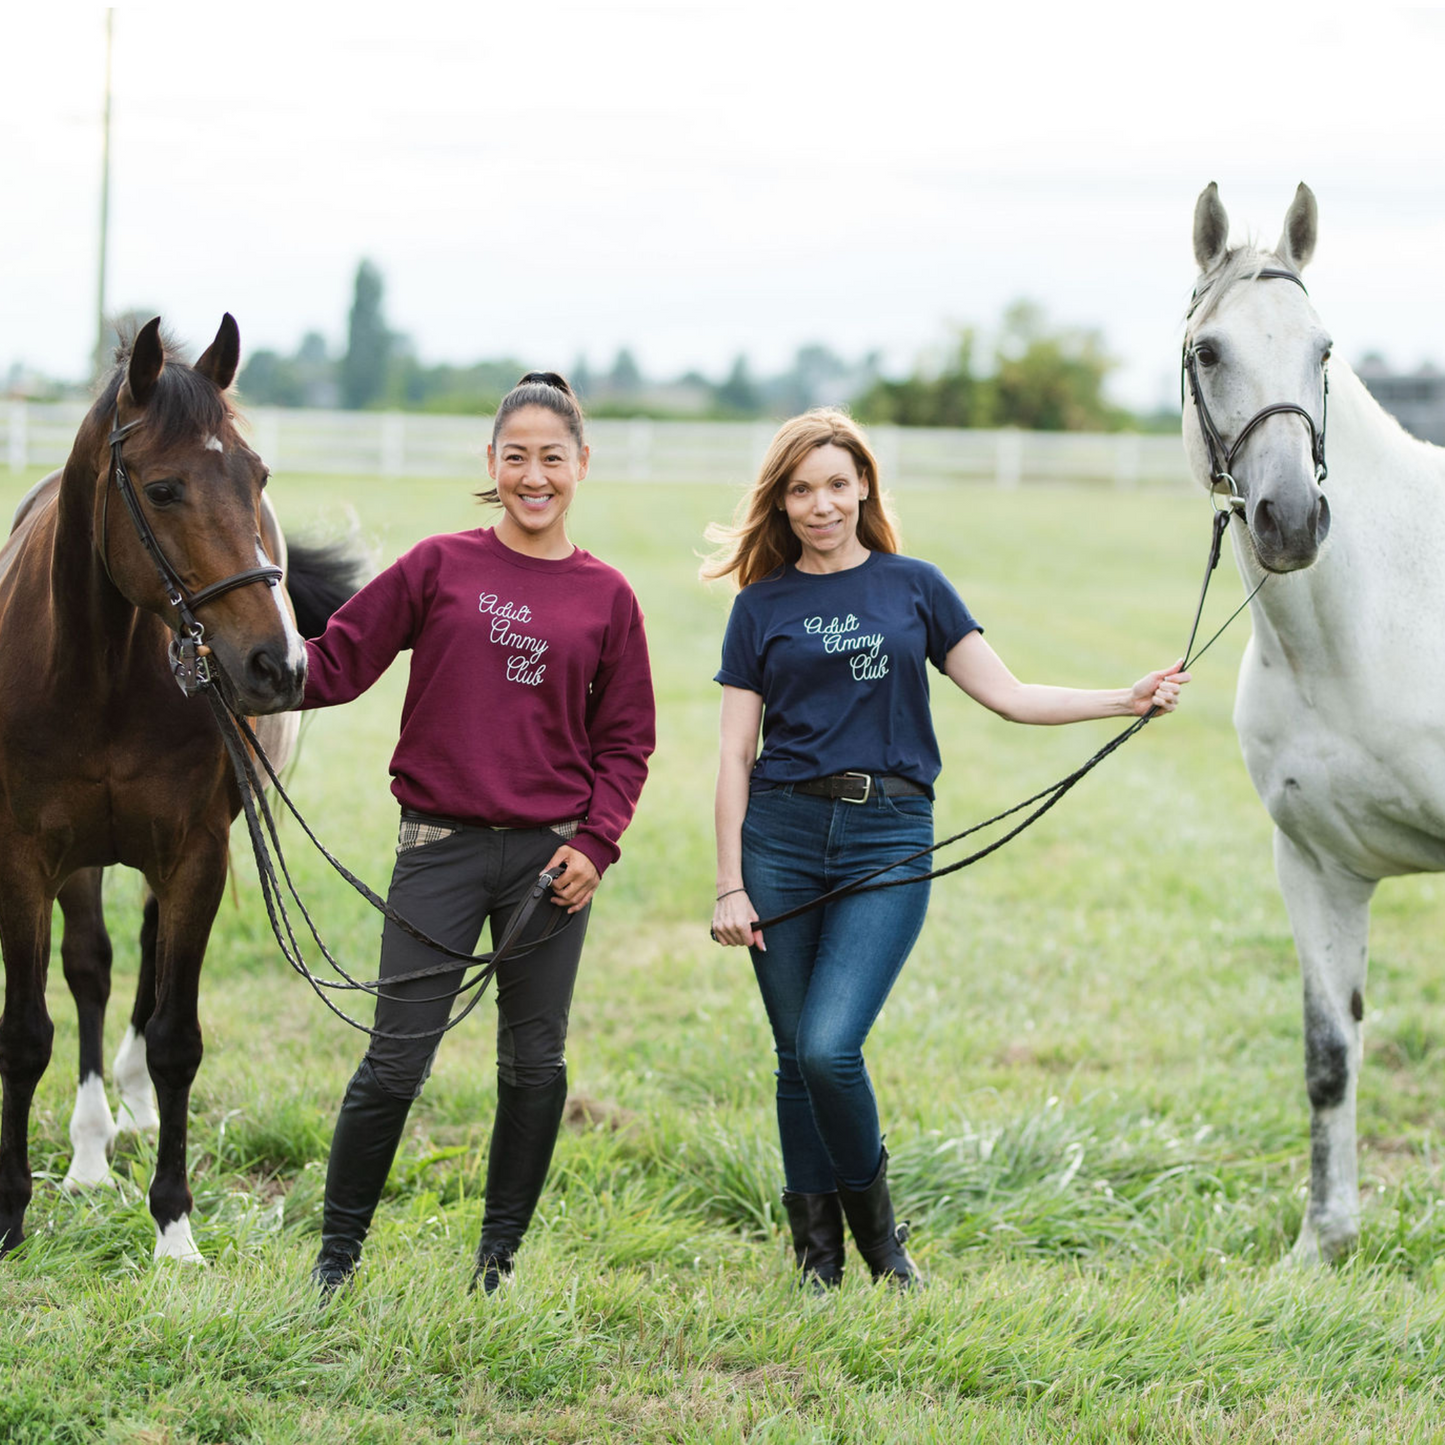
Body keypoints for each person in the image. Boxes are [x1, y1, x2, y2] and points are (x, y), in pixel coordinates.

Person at [704, 410, 1187, 1290]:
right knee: (791, 1055)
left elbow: (1006, 694)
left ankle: (883, 1247)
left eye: (837, 485)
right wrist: (730, 880)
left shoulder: (913, 586)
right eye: (802, 489)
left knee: (826, 1047)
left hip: (887, 836)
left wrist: (1126, 696)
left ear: (864, 489)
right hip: (778, 839)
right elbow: (735, 753)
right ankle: (817, 1261)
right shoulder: (759, 606)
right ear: (781, 500)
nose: (821, 505)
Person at [303, 372, 655, 1295]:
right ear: (489, 464)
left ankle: (494, 1265)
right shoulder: (438, 565)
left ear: (581, 464)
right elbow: (335, 662)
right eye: (515, 457)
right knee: (394, 1060)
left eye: (551, 458)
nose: (533, 476)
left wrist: (596, 842)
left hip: (550, 864)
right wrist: (237, 671)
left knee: (533, 1063)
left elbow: (627, 742)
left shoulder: (609, 596)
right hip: (439, 851)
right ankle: (334, 1263)